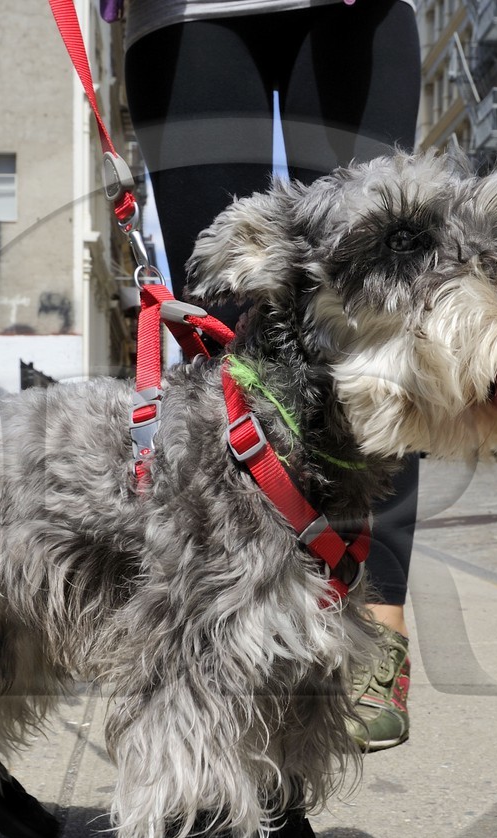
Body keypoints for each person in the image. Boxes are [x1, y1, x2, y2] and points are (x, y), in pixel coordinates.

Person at [123, 0, 421, 752]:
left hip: (359, 13)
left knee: (384, 308)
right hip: (192, 11)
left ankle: (375, 622)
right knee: (226, 308)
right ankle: (228, 617)